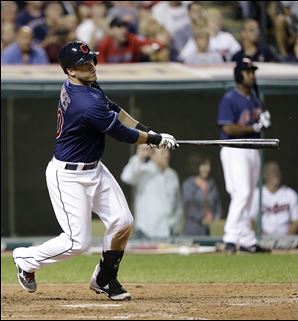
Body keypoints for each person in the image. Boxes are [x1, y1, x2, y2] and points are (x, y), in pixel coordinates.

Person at [12, 40, 178, 301]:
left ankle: (104, 278)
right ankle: (25, 259)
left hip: (94, 168)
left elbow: (115, 110)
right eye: (83, 64)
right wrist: (154, 140)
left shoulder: (87, 86)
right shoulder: (84, 102)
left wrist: (150, 132)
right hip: (68, 176)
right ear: (70, 71)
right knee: (77, 243)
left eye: (91, 61)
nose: (91, 66)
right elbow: (121, 133)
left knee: (123, 222)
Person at [217, 57, 272, 253]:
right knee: (242, 194)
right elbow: (229, 128)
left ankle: (247, 239)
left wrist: (263, 120)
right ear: (239, 74)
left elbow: (261, 120)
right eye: (248, 72)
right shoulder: (230, 98)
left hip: (252, 150)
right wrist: (254, 126)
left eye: (253, 72)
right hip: (235, 149)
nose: (252, 76)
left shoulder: (255, 99)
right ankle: (230, 237)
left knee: (247, 197)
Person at [120, 144, 183, 238]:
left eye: (167, 151)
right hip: (146, 231)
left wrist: (176, 225)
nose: (167, 155)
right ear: (152, 155)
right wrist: (139, 156)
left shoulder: (172, 175)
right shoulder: (143, 170)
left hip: (169, 231)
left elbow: (177, 203)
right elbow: (126, 177)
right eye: (163, 152)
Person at [250, 161, 298, 237]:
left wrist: (286, 237)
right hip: (263, 237)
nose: (276, 173)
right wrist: (261, 234)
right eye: (272, 171)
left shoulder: (290, 193)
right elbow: (251, 220)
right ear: (264, 175)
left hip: (286, 238)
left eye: (277, 171)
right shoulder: (257, 194)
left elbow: (296, 220)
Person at [182, 154, 222, 236]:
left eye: (208, 165)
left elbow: (218, 204)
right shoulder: (188, 184)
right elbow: (188, 207)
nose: (208, 168)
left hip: (211, 228)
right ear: (197, 166)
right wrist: (202, 218)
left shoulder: (211, 184)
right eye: (204, 165)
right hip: (194, 229)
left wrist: (217, 217)